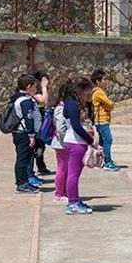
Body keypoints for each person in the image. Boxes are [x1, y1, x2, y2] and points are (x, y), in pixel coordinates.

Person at [62, 77, 98, 215]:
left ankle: (75, 200)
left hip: (76, 142)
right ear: (81, 90)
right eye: (88, 91)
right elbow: (76, 126)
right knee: (73, 174)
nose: (89, 94)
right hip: (75, 142)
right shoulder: (72, 103)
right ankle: (72, 203)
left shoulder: (73, 102)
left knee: (74, 174)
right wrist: (90, 141)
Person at [10, 74, 41, 194]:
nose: (36, 89)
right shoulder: (25, 101)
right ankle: (21, 184)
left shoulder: (21, 98)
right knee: (22, 159)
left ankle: (24, 182)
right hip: (24, 134)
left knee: (25, 158)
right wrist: (31, 135)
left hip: (22, 133)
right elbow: (29, 119)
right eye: (34, 86)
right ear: (28, 86)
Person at [51, 79, 74, 202]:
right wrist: (68, 140)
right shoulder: (61, 107)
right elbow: (60, 128)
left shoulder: (65, 105)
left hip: (64, 142)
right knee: (62, 168)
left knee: (66, 167)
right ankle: (59, 193)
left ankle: (64, 191)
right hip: (62, 143)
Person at [92, 69, 118, 171]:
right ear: (98, 81)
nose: (106, 81)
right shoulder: (98, 92)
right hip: (101, 120)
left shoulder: (98, 91)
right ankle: (108, 161)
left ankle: (99, 161)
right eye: (104, 79)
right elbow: (110, 104)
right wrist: (110, 106)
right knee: (108, 139)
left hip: (100, 120)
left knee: (102, 142)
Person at [28, 70, 51, 184]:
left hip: (41, 124)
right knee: (35, 149)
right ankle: (29, 175)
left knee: (40, 146)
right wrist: (44, 87)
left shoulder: (37, 91)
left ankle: (38, 168)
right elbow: (44, 101)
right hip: (33, 127)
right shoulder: (34, 92)